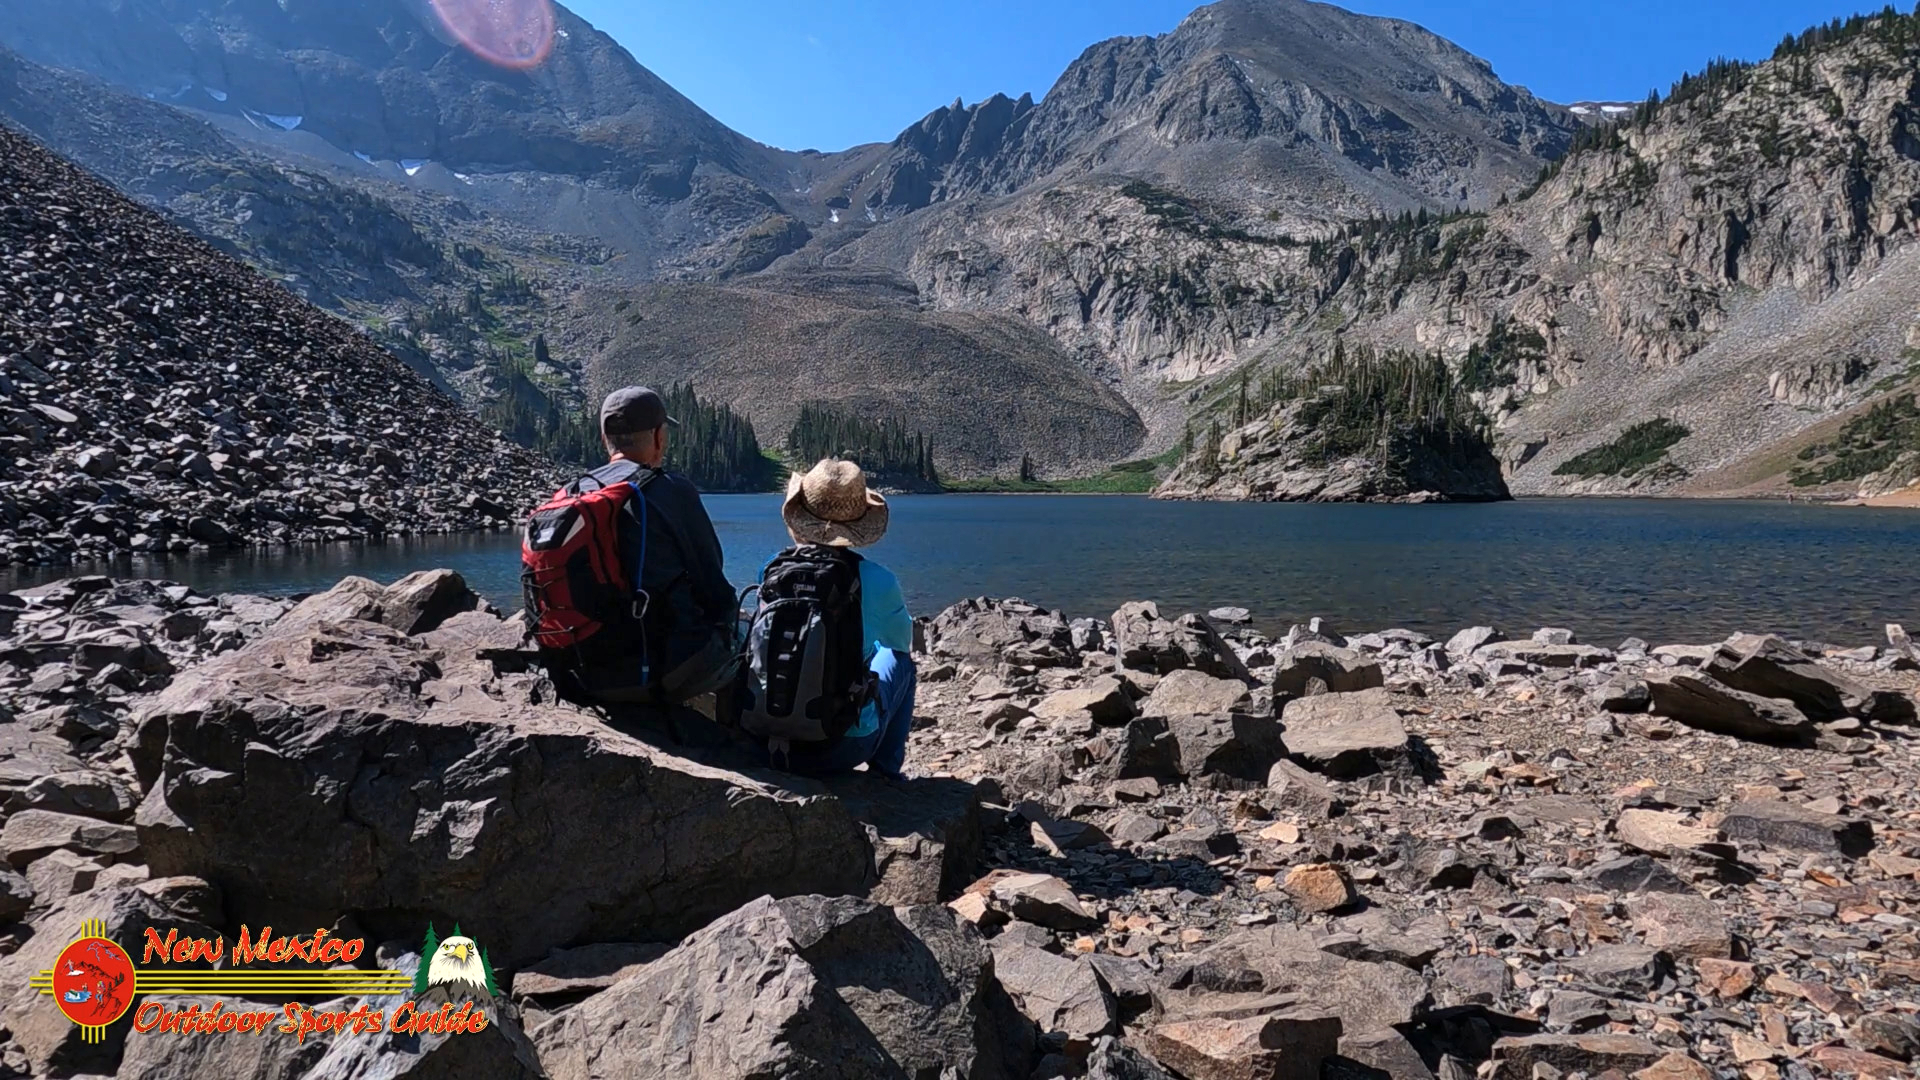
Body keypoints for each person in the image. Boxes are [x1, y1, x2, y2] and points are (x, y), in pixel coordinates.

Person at [521, 386, 740, 706]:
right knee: (744, 636)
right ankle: (739, 746)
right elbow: (714, 588)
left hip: (578, 672)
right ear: (658, 436)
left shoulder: (574, 492)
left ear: (604, 439)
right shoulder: (671, 490)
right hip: (654, 673)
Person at [739, 458, 915, 777]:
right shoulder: (876, 580)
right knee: (899, 661)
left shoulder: (772, 568)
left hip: (762, 739)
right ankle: (886, 773)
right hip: (838, 748)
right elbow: (901, 642)